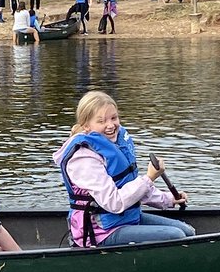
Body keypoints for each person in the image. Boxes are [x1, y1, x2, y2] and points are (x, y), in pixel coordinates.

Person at [53, 90, 195, 248]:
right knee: (176, 236)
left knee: (187, 232)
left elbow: (130, 184)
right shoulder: (83, 159)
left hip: (127, 218)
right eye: (101, 121)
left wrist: (167, 199)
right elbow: (114, 203)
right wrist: (149, 178)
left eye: (114, 118)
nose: (110, 125)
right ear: (86, 126)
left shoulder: (116, 144)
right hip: (101, 232)